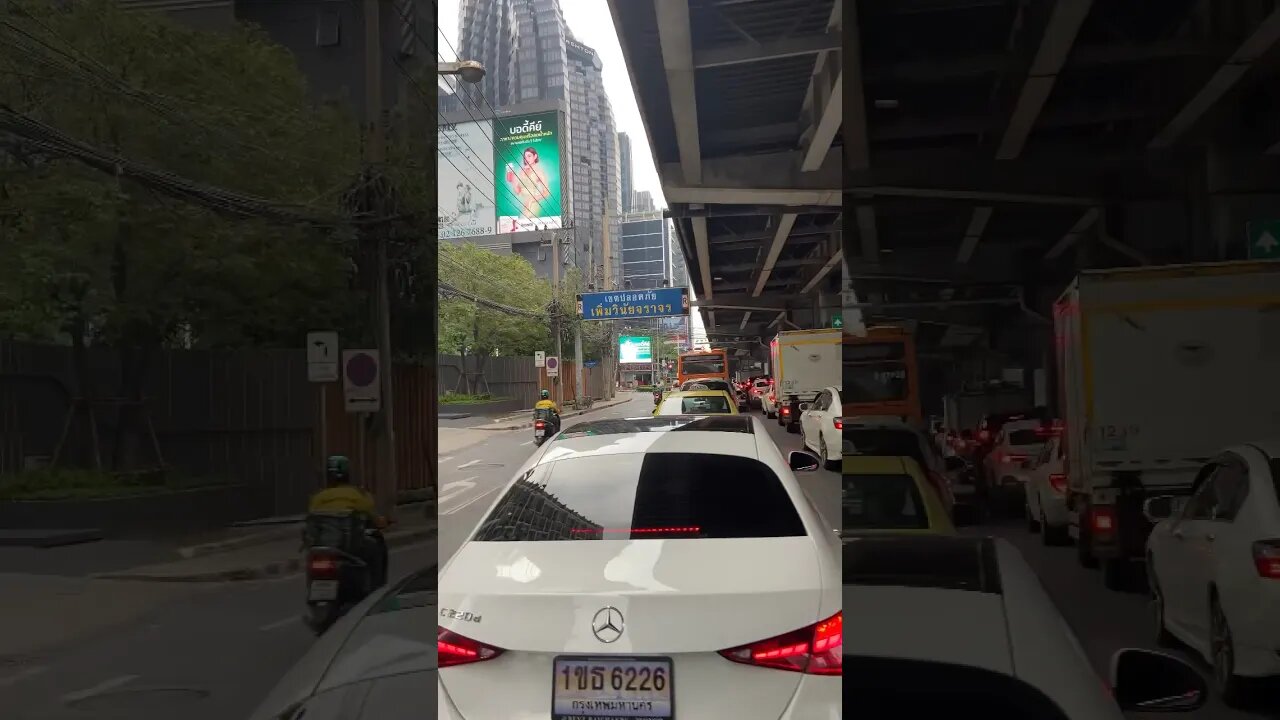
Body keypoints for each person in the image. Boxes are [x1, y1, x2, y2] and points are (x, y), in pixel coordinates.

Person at [307, 455, 387, 588]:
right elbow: (373, 517)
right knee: (374, 547)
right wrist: (382, 522)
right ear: (348, 474)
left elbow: (311, 518)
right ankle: (377, 590)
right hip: (350, 548)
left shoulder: (318, 497)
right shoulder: (358, 495)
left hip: (324, 546)